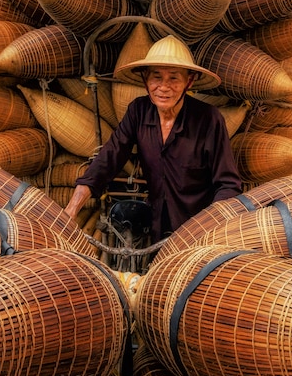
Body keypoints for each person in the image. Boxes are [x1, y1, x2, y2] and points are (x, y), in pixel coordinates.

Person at [64, 35, 242, 243]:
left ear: (189, 81)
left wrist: (207, 227)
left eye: (174, 78)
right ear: (145, 79)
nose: (164, 87)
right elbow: (110, 156)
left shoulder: (208, 119)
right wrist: (72, 208)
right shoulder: (138, 111)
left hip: (198, 229)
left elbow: (228, 184)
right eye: (156, 77)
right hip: (157, 223)